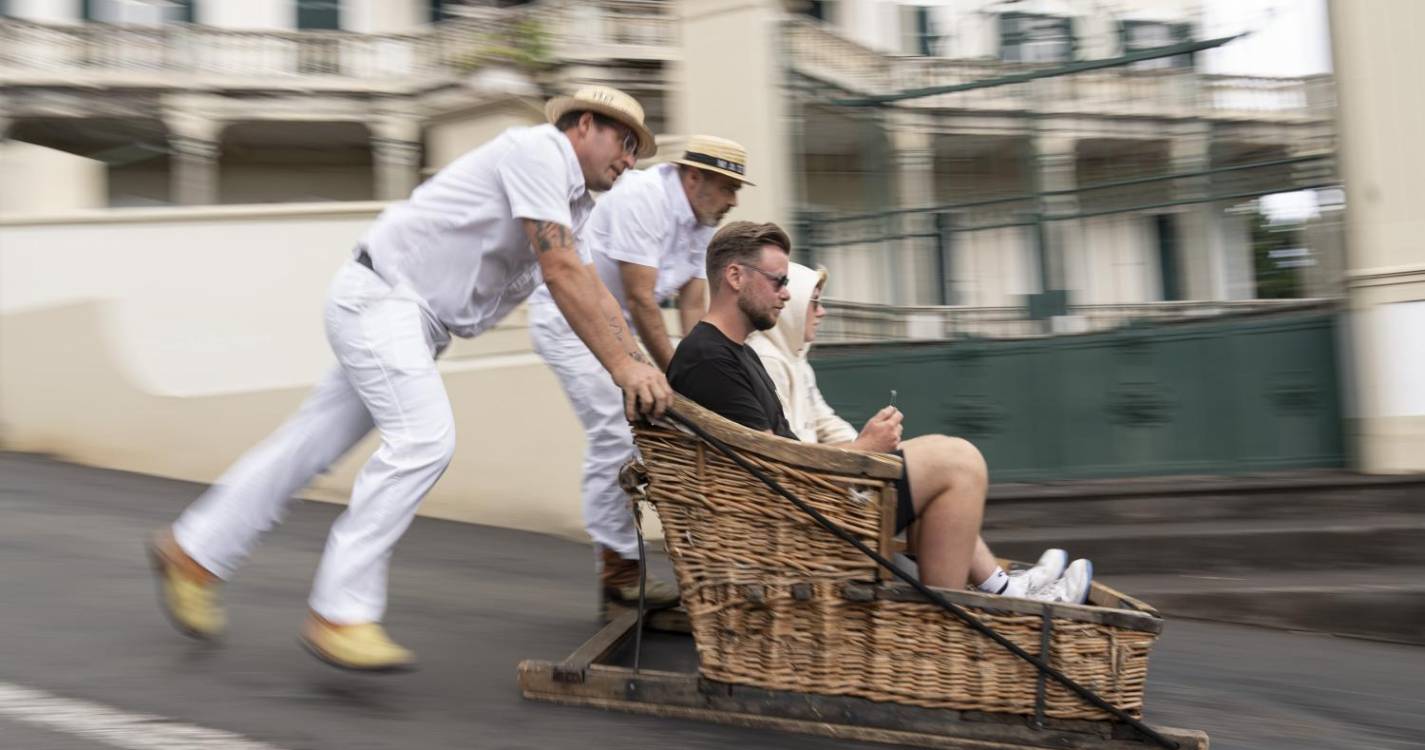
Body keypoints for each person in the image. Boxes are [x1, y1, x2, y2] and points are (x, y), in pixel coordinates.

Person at [146, 86, 673, 672]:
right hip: (385, 300)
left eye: (637, 150)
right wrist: (625, 366)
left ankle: (192, 552)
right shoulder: (539, 152)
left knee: (307, 445)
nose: (630, 160)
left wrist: (639, 366)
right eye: (625, 142)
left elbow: (590, 286)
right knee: (424, 440)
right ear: (584, 126)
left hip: (408, 319)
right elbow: (561, 268)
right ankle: (340, 613)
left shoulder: (576, 205)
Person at [668, 223, 1091, 602]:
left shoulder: (736, 354)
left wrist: (864, 451)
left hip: (810, 508)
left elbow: (779, 454)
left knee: (945, 461)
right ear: (735, 277)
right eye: (778, 281)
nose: (785, 293)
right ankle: (960, 617)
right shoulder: (709, 358)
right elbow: (773, 471)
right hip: (797, 524)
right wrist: (862, 449)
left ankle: (988, 599)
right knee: (959, 463)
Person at [528, 136, 750, 617]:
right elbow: (641, 299)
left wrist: (700, 380)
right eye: (728, 186)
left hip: (616, 325)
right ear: (694, 177)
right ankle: (619, 572)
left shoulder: (701, 221)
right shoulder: (643, 197)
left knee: (658, 426)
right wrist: (675, 379)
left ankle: (675, 562)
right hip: (570, 322)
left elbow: (693, 304)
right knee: (616, 426)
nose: (734, 199)